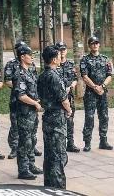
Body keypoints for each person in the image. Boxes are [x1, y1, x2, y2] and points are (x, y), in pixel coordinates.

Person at [37, 45, 73, 189]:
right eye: (58, 56)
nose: (60, 58)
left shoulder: (42, 76)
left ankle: (48, 186)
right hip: (57, 118)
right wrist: (69, 110)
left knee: (49, 155)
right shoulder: (54, 76)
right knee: (58, 156)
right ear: (53, 59)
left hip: (48, 117)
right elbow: (63, 99)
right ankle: (58, 189)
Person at [4, 41, 41, 159]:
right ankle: (14, 148)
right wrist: (19, 87)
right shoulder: (11, 64)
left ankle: (31, 146)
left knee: (32, 126)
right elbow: (8, 80)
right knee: (16, 125)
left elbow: (34, 80)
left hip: (30, 100)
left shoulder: (31, 65)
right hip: (17, 99)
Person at [14, 45, 44, 180]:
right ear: (22, 56)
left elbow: (32, 91)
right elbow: (21, 95)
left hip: (32, 113)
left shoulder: (30, 72)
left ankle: (31, 165)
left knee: (32, 139)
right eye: (29, 54)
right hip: (24, 113)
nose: (32, 57)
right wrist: (35, 103)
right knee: (25, 141)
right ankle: (23, 169)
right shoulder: (19, 74)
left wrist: (37, 100)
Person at [80, 36, 113, 152]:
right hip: (90, 93)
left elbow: (109, 75)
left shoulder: (105, 59)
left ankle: (103, 141)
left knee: (104, 117)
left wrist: (102, 86)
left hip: (102, 93)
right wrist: (94, 87)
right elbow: (84, 76)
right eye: (92, 43)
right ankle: (87, 142)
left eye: (97, 43)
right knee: (89, 117)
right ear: (89, 45)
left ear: (99, 45)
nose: (95, 45)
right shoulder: (85, 59)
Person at [55, 42, 80, 153]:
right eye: (60, 50)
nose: (62, 51)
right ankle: (59, 145)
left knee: (70, 121)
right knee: (58, 121)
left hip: (69, 97)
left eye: (64, 49)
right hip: (58, 98)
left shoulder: (70, 65)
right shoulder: (54, 65)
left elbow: (75, 78)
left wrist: (72, 85)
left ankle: (70, 143)